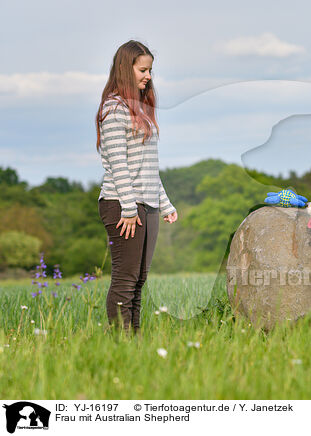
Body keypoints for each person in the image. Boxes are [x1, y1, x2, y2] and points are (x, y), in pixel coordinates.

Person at [95, 40, 177, 333]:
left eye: (150, 70)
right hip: (122, 203)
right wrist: (128, 209)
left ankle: (134, 342)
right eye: (143, 70)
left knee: (139, 279)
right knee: (125, 279)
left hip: (147, 203)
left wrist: (164, 203)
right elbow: (119, 165)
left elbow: (147, 166)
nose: (148, 76)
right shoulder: (114, 109)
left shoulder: (140, 109)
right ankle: (121, 343)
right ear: (125, 69)